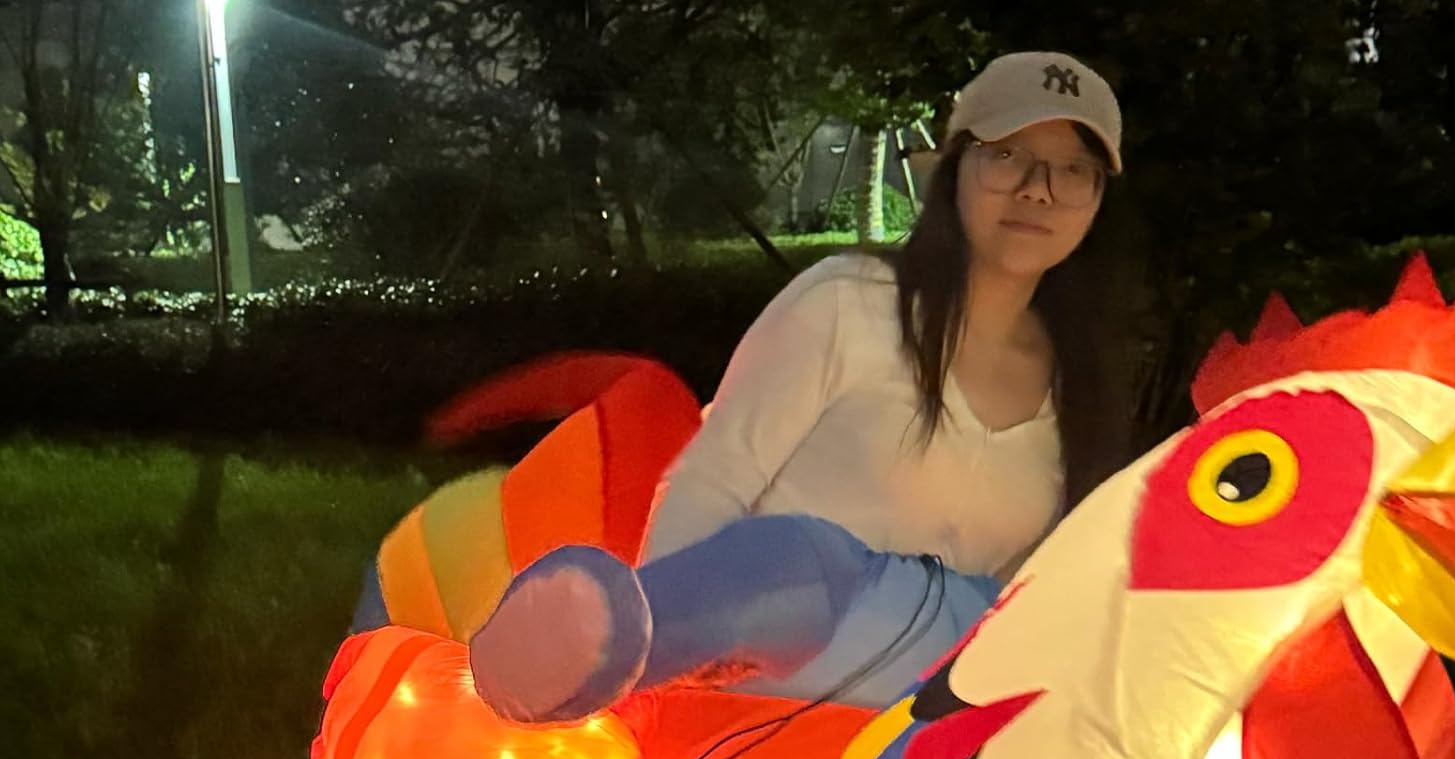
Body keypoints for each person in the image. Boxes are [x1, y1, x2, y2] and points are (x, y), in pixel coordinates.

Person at [469, 50, 1139, 722]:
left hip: (923, 704)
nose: (1037, 190)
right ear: (955, 167)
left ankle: (613, 640)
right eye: (1007, 155)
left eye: (1072, 170)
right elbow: (714, 478)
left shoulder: (1081, 390)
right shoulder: (849, 304)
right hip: (777, 664)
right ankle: (603, 647)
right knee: (798, 558)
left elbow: (1029, 591)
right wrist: (671, 675)